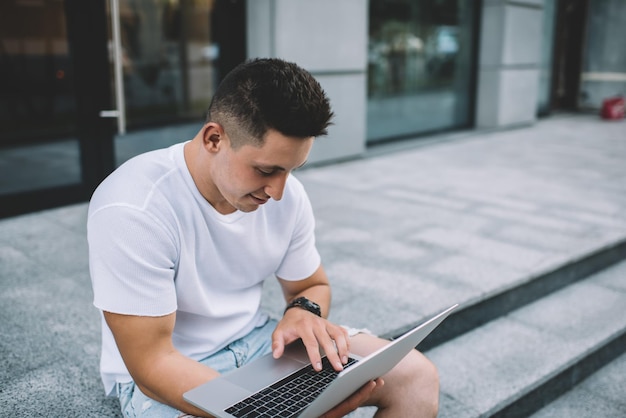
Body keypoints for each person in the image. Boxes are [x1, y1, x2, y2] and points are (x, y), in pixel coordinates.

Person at [88, 58, 439, 418]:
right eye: (266, 170)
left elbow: (312, 284)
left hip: (259, 344)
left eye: (290, 170)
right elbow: (152, 365)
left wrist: (304, 311)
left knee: (415, 376)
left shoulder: (288, 196)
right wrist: (262, 413)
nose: (279, 191)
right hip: (175, 368)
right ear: (214, 138)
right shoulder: (133, 208)